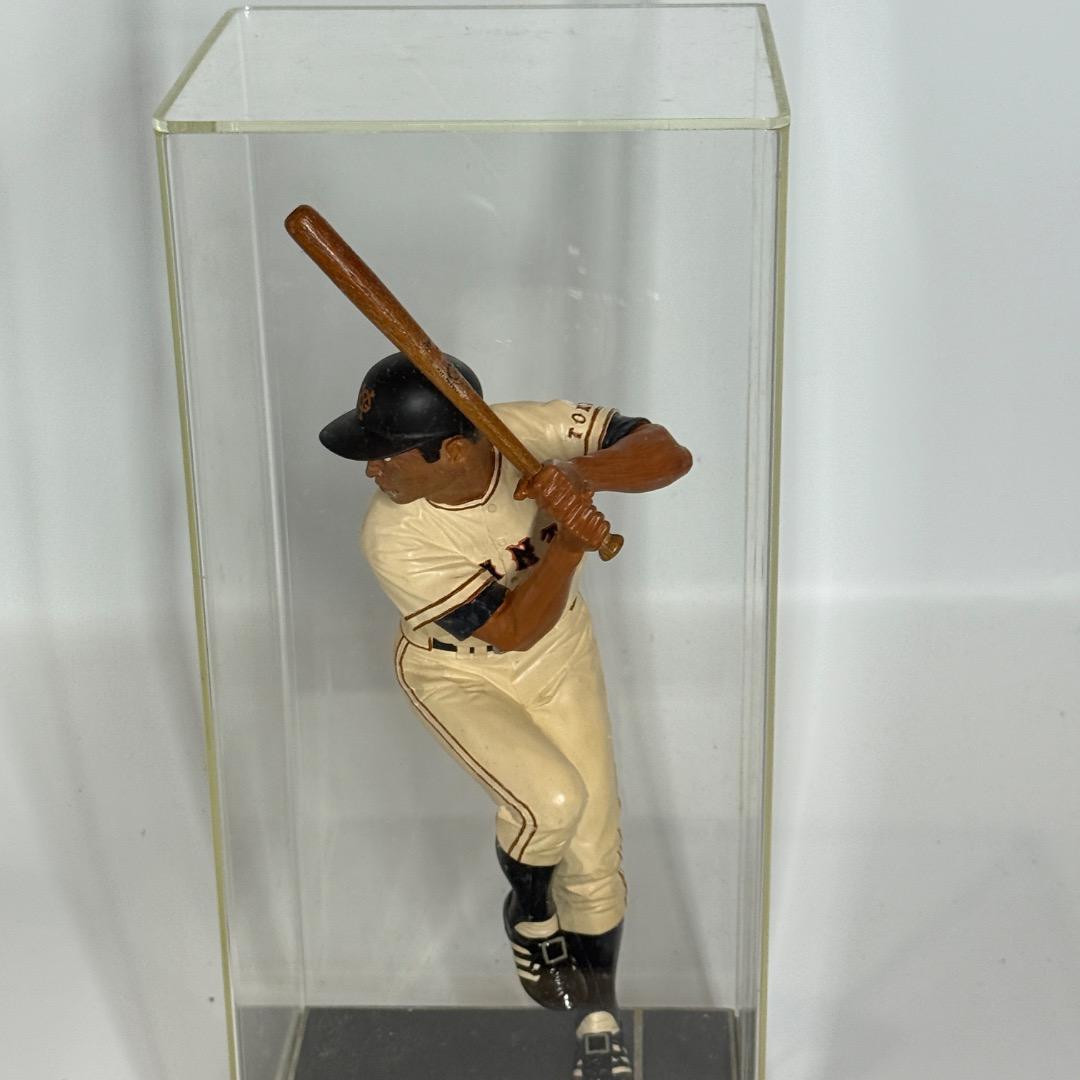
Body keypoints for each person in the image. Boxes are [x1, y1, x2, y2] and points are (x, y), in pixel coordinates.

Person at [319, 351, 692, 1079]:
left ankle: (598, 1017)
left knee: (595, 857)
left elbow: (668, 454)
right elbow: (514, 629)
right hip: (457, 673)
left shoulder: (519, 430)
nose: (372, 470)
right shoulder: (393, 536)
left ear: (456, 449)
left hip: (562, 655)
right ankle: (528, 910)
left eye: (388, 453)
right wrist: (569, 545)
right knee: (550, 803)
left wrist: (582, 475)